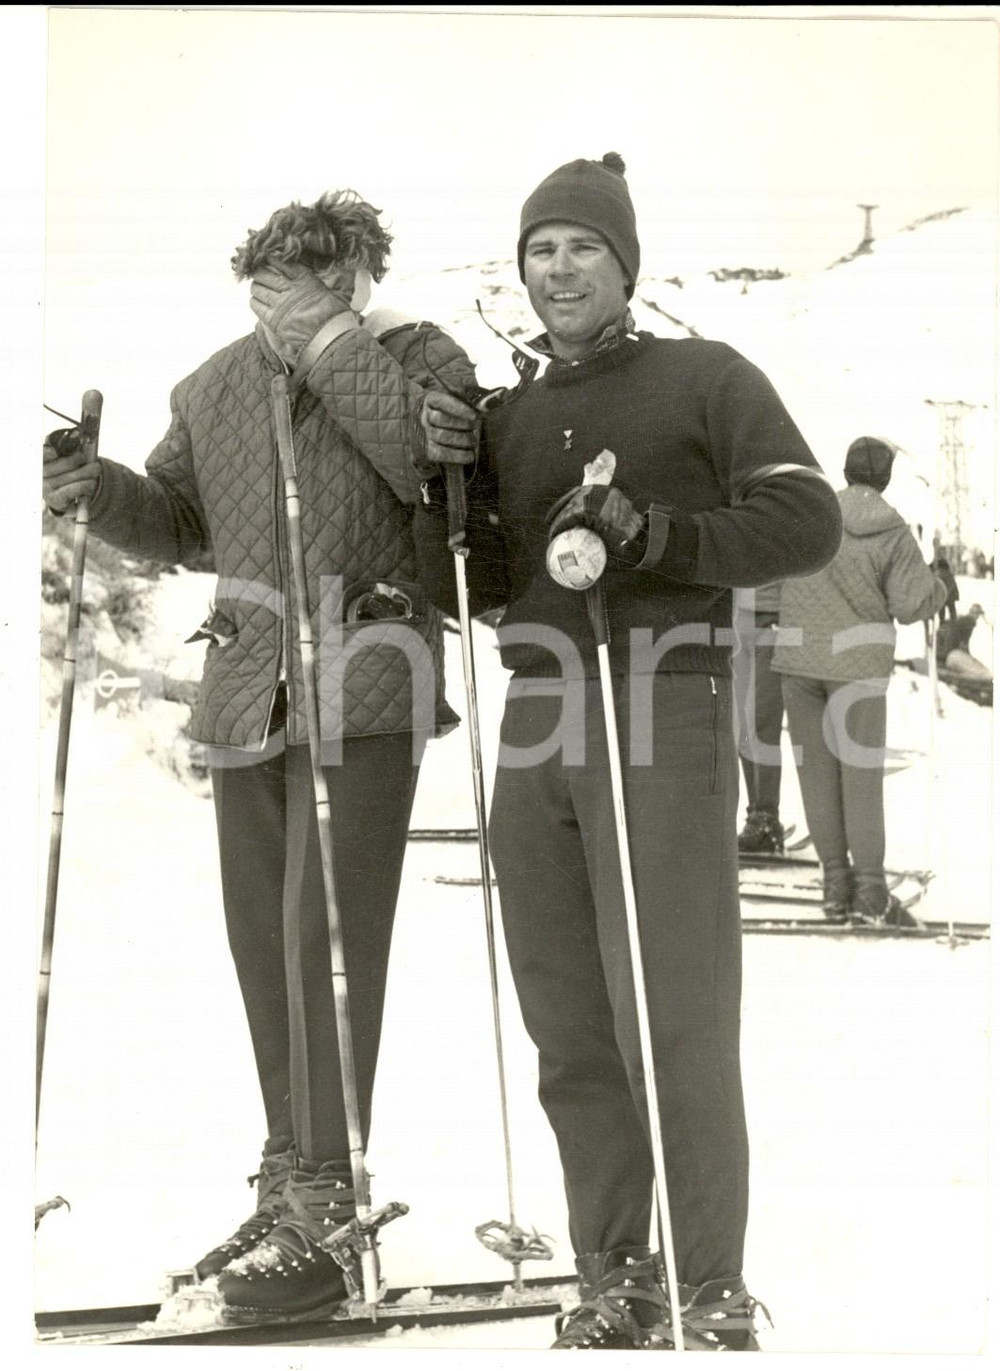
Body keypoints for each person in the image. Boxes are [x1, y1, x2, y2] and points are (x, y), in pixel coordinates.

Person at [411, 152, 842, 1350]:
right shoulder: (505, 415)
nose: (559, 270)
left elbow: (803, 517)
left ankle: (709, 1282)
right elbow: (472, 585)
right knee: (568, 1017)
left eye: (582, 247)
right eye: (540, 251)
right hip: (539, 709)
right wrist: (444, 489)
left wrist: (654, 534)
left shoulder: (705, 377)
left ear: (625, 264)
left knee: (673, 1008)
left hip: (661, 696)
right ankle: (614, 1273)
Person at [41, 190, 476, 1324]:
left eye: (332, 277)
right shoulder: (213, 385)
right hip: (247, 690)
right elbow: (183, 523)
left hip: (367, 683)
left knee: (326, 943)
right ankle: (290, 1177)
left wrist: (331, 346)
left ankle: (330, 1196)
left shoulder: (420, 358)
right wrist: (99, 493)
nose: (302, 297)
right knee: (261, 945)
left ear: (364, 278)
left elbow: (428, 475)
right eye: (282, 279)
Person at [771, 436, 946, 925]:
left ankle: (835, 884)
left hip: (799, 664)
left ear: (845, 471)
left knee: (816, 777)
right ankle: (869, 890)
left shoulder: (814, 517)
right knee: (860, 779)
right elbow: (911, 604)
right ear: (885, 478)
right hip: (857, 671)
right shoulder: (892, 530)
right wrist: (938, 587)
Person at [733, 582, 787, 854]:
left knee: (763, 720)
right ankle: (756, 815)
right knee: (742, 725)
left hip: (773, 619)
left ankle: (766, 815)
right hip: (737, 617)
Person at [936, 603, 991, 679]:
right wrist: (968, 656)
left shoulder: (958, 619)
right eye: (977, 615)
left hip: (939, 655)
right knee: (983, 673)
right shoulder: (969, 621)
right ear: (977, 614)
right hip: (950, 655)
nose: (977, 617)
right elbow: (964, 643)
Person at [932, 557, 959, 623]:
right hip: (950, 596)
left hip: (942, 596)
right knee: (952, 612)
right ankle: (954, 624)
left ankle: (942, 625)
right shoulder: (949, 574)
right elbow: (952, 585)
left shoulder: (936, 574)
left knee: (942, 613)